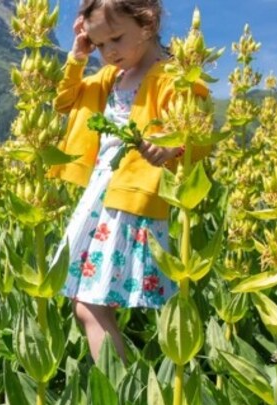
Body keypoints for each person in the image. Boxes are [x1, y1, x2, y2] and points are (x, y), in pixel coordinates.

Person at [50, 0, 210, 363]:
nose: (109, 52)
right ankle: (130, 393)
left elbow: (199, 138)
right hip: (101, 198)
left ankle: (121, 399)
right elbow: (65, 102)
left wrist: (174, 147)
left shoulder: (173, 75)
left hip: (133, 200)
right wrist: (78, 55)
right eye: (100, 44)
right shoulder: (110, 78)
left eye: (116, 39)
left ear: (148, 24)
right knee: (91, 305)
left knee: (91, 306)